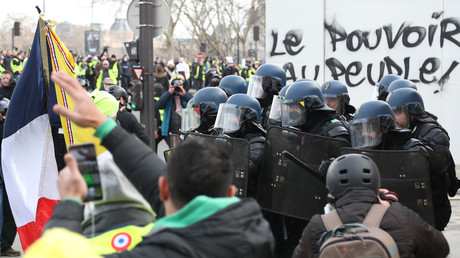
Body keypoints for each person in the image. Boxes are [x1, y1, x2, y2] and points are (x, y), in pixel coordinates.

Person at [37, 70, 275, 257]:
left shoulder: (155, 250)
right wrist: (105, 126)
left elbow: (55, 251)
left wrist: (69, 202)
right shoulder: (255, 232)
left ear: (164, 189)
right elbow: (149, 170)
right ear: (231, 192)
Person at [292, 153, 450, 258]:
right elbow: (441, 249)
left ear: (333, 189)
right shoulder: (400, 216)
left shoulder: (317, 225)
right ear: (376, 183)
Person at [386, 88, 457, 230]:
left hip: (431, 208)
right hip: (402, 203)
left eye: (397, 112)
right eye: (391, 112)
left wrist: (420, 149)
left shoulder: (433, 133)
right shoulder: (394, 133)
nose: (393, 118)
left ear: (412, 113)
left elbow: (441, 164)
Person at [213, 93, 266, 198]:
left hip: (246, 202)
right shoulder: (230, 138)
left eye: (233, 115)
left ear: (247, 120)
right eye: (227, 114)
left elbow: (242, 174)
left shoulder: (258, 144)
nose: (228, 119)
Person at [156, 75, 193, 147]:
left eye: (180, 85)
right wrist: (169, 93)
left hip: (185, 131)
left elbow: (194, 104)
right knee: (174, 151)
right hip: (171, 131)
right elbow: (158, 105)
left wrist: (184, 94)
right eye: (176, 85)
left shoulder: (187, 96)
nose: (178, 87)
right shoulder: (168, 96)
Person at [247, 64, 287, 129]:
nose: (256, 86)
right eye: (256, 82)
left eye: (259, 83)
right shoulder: (261, 105)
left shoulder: (279, 110)